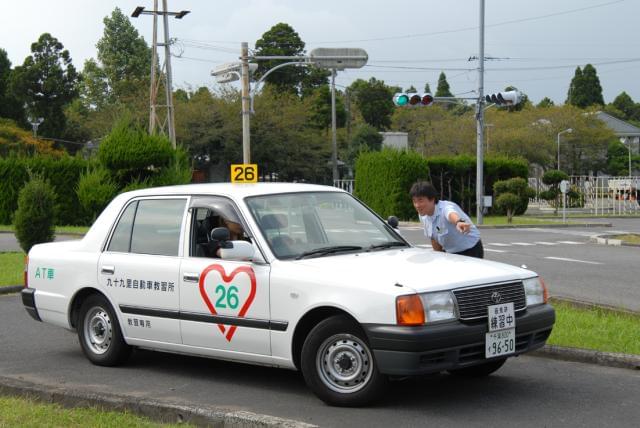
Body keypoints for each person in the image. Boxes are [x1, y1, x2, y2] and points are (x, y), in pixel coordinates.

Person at [410, 181, 484, 258]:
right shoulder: (423, 215)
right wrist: (438, 256)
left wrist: (458, 222)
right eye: (414, 201)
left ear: (432, 199)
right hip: (450, 252)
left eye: (420, 200)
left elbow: (451, 214)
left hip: (470, 249)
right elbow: (434, 237)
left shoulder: (445, 207)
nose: (417, 205)